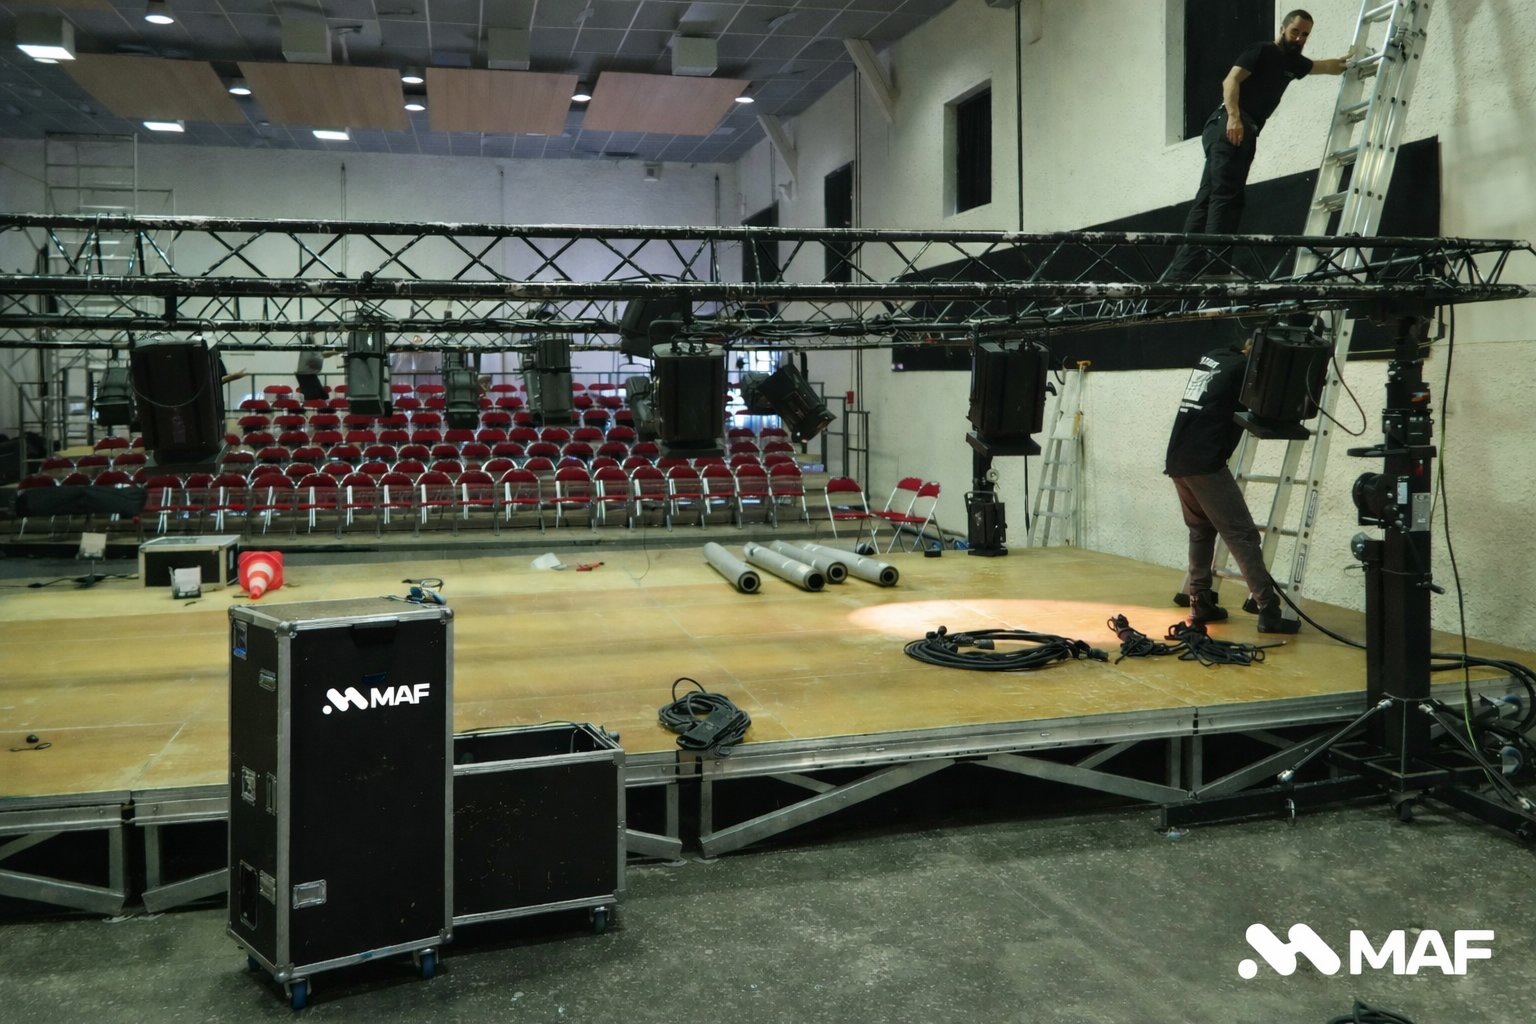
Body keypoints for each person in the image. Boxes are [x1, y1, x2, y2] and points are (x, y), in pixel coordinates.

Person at [1165, 10, 1349, 281]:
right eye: (1295, 31)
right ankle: (1214, 267)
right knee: (1227, 196)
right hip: (1230, 125)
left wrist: (1350, 63)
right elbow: (1231, 80)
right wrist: (1234, 118)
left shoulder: (1293, 63)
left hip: (1238, 128)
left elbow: (1324, 66)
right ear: (1283, 28)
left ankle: (1183, 271)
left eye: (1305, 34)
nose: (1299, 38)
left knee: (1209, 197)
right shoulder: (1262, 50)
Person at [1165, 335, 1299, 634]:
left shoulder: (1215, 354)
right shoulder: (1245, 371)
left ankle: (1200, 602)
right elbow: (1264, 410)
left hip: (1178, 459)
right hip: (1205, 463)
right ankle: (1269, 610)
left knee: (1201, 531)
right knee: (1243, 535)